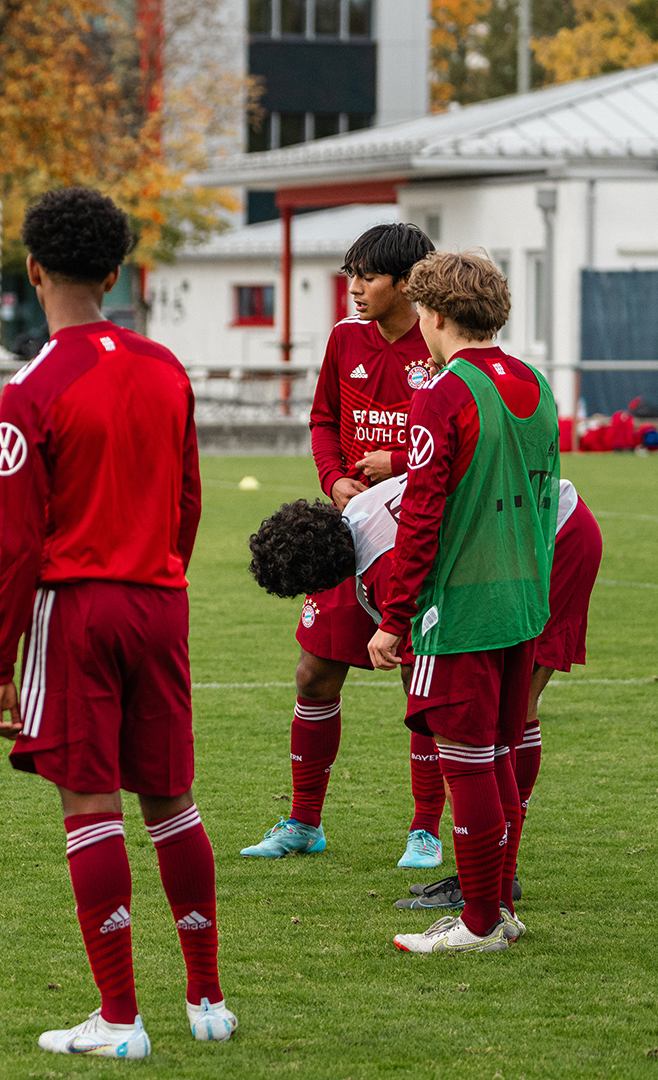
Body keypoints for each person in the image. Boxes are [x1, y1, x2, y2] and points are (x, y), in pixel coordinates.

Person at [0, 187, 230, 1059]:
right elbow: (190, 501)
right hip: (162, 600)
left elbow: (19, 546)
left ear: (34, 269)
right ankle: (207, 999)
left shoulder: (30, 387)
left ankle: (120, 1019)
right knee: (170, 798)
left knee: (90, 802)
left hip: (77, 607)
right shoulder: (167, 368)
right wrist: (161, 577)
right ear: (118, 271)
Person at [246, 472, 599, 915]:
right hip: (528, 528)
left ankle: (490, 888)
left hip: (554, 539)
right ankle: (493, 879)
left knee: (493, 717)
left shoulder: (386, 566)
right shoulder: (356, 514)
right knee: (491, 720)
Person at [365, 250, 557, 955]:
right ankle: (499, 908)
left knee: (468, 762)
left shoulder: (444, 393)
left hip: (462, 610)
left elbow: (420, 518)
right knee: (501, 754)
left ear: (436, 314)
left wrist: (393, 621)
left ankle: (478, 922)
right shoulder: (536, 383)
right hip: (522, 602)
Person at [239, 222, 437, 866]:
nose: (353, 289)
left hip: (419, 532)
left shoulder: (440, 347)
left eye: (366, 278)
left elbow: (462, 437)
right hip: (349, 531)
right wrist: (336, 480)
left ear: (406, 284)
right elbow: (324, 419)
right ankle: (302, 822)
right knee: (315, 671)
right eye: (350, 275)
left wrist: (399, 462)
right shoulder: (343, 340)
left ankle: (426, 829)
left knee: (420, 676)